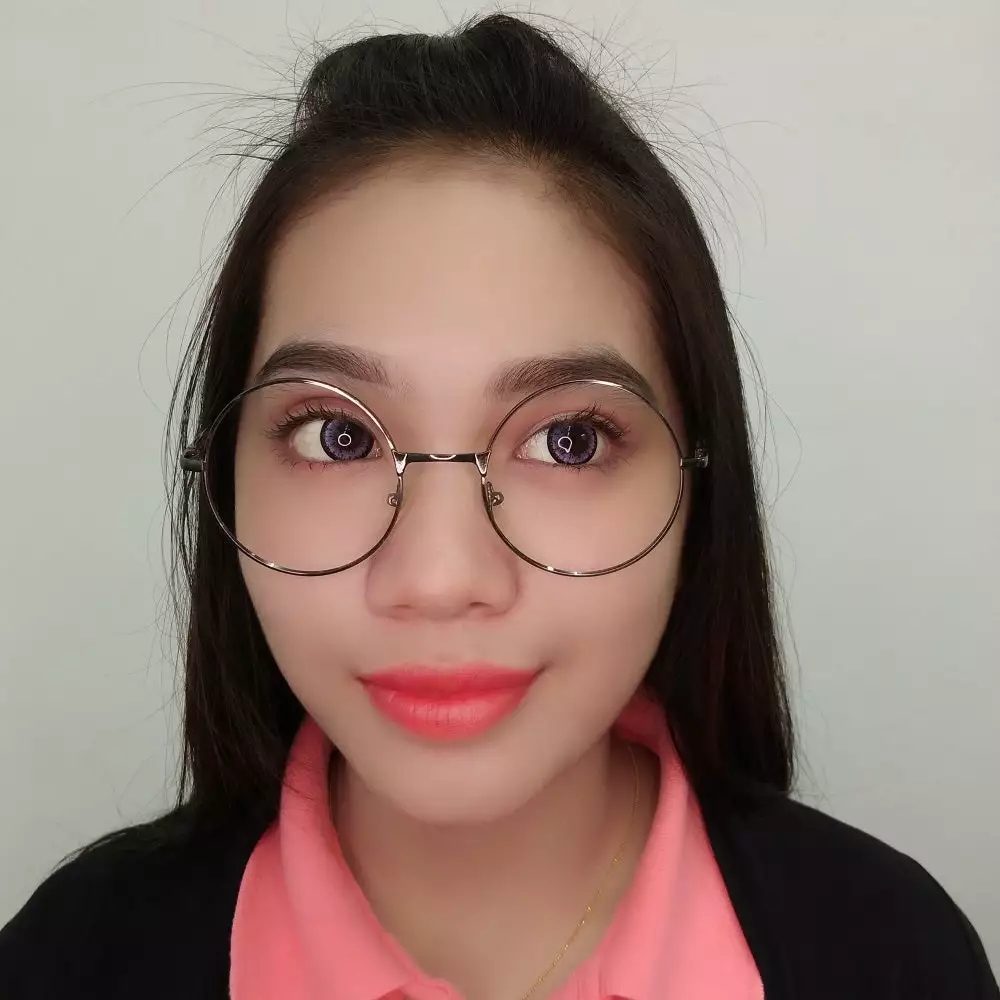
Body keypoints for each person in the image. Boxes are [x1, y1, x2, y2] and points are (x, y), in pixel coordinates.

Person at [0, 11, 995, 1000]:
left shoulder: (894, 955)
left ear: (698, 483)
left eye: (569, 440)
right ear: (225, 474)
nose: (439, 579)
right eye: (337, 436)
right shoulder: (69, 961)